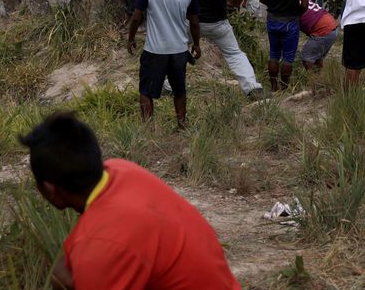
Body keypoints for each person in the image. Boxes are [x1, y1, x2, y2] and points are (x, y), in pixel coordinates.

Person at [20, 112, 240, 290]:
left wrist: (80, 274)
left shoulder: (101, 245)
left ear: (50, 189)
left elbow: (102, 246)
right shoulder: (122, 169)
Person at [179, 0, 265, 99]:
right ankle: (252, 88)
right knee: (234, 55)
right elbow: (233, 0)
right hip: (218, 24)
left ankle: (171, 85)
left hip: (193, 23)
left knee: (177, 48)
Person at [127, 0, 200, 128]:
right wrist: (197, 44)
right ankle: (181, 125)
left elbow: (136, 17)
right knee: (179, 90)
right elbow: (194, 21)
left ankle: (147, 127)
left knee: (146, 90)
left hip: (154, 49)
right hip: (179, 50)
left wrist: (131, 38)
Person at [259, 0, 309, 91]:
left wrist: (273, 6)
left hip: (272, 20)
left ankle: (273, 87)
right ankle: (284, 87)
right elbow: (305, 4)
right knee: (288, 57)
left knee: (273, 54)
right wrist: (295, 14)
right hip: (290, 22)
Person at [299, 0, 340, 70]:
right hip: (331, 25)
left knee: (307, 58)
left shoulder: (287, 3)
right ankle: (318, 78)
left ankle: (312, 79)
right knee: (316, 58)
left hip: (324, 29)